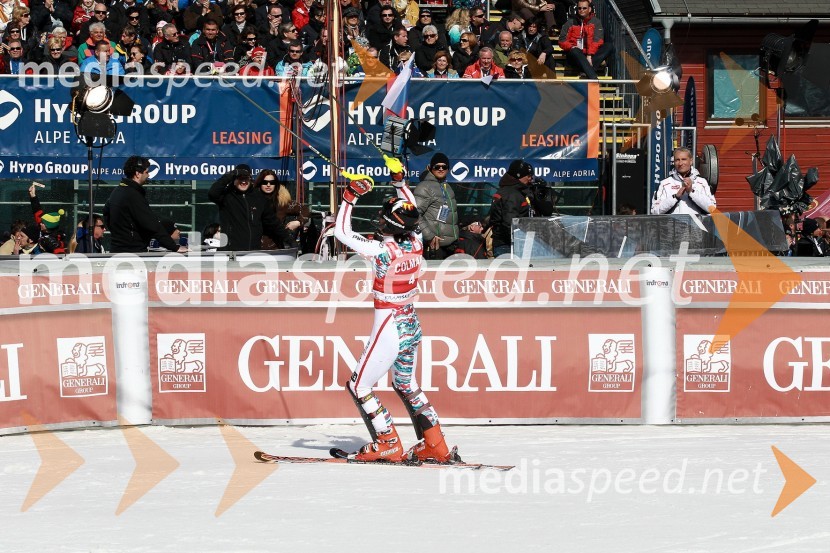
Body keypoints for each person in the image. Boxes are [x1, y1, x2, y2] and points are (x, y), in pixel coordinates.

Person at [333, 155, 455, 464]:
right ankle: (436, 445)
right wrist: (399, 179)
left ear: (388, 224)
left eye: (382, 216)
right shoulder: (415, 241)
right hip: (411, 324)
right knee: (406, 384)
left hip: (389, 327)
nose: (378, 218)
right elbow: (410, 207)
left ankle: (387, 442)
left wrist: (350, 196)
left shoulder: (382, 250)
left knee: (359, 385)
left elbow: (342, 233)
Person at [103, 156, 185, 253]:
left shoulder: (117, 191)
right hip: (133, 253)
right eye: (146, 172)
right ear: (137, 174)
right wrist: (174, 247)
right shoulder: (133, 195)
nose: (148, 175)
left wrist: (119, 235)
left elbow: (106, 213)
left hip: (116, 250)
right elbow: (152, 225)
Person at [208, 164, 290, 251]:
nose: (243, 182)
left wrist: (289, 239)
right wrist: (231, 174)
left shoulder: (259, 197)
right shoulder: (227, 196)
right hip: (231, 252)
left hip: (253, 252)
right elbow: (212, 193)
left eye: (246, 178)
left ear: (250, 179)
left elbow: (273, 222)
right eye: (240, 178)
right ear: (234, 179)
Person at [413, 152, 458, 259]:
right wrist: (429, 236)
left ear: (448, 169)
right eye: (437, 166)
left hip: (450, 245)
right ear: (430, 168)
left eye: (444, 166)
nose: (441, 169)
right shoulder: (425, 187)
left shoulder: (447, 187)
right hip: (434, 247)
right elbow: (415, 213)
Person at [488, 159, 535, 257]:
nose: (530, 179)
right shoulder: (512, 194)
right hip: (508, 246)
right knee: (510, 272)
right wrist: (522, 241)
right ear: (519, 176)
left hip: (507, 244)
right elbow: (509, 223)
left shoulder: (512, 191)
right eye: (528, 176)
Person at [650, 147, 716, 216]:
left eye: (684, 159)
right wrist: (675, 197)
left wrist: (692, 192)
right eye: (677, 160)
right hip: (672, 226)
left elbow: (713, 209)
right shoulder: (664, 183)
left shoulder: (702, 182)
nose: (680, 163)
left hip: (696, 226)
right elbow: (654, 211)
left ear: (691, 161)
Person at [558, 0, 613, 79]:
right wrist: (571, 47)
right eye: (579, 8)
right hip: (575, 55)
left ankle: (585, 72)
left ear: (589, 9)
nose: (581, 10)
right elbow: (561, 40)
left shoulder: (596, 22)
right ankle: (593, 77)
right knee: (575, 50)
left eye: (584, 8)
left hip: (590, 55)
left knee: (609, 46)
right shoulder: (570, 22)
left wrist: (589, 55)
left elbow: (598, 40)